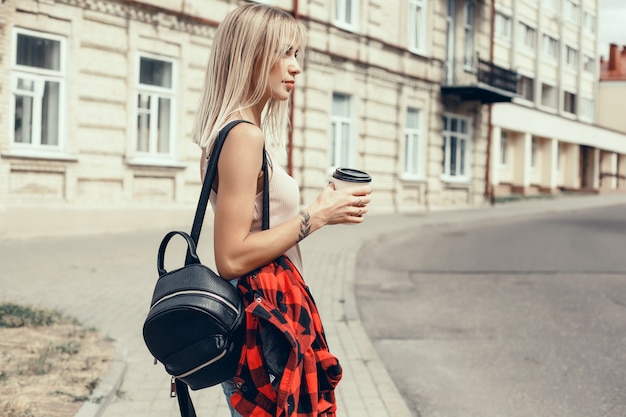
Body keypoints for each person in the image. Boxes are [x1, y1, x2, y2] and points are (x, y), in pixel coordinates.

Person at [191, 4, 372, 416]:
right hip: (263, 322)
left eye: (297, 55)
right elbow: (232, 257)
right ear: (251, 56)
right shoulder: (243, 136)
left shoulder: (230, 131)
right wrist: (317, 215)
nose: (295, 68)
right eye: (285, 53)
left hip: (262, 316)